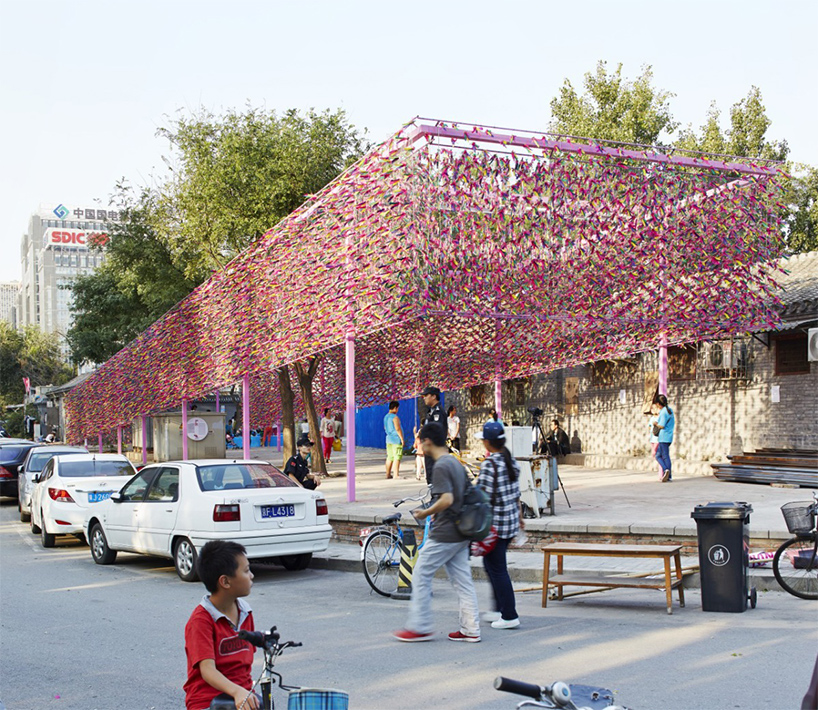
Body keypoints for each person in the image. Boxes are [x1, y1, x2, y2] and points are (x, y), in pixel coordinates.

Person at [393, 423, 481, 643]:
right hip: (462, 531)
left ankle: (420, 627)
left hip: (445, 532)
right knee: (463, 582)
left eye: (419, 441)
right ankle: (471, 628)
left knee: (421, 573)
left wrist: (426, 512)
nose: (418, 446)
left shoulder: (441, 465)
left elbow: (447, 499)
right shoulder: (455, 462)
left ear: (428, 441)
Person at [184, 540, 260, 710]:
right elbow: (207, 670)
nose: (251, 576)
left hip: (242, 696)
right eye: (246, 571)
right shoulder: (201, 620)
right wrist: (237, 692)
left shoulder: (245, 613)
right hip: (208, 701)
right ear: (225, 582)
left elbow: (243, 668)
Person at [476, 420, 523, 629]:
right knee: (492, 566)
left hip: (494, 526)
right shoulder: (510, 461)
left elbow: (481, 496)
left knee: (497, 570)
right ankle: (498, 609)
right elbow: (516, 493)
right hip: (509, 522)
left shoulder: (489, 464)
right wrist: (520, 518)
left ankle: (509, 615)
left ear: (487, 442)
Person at [419, 386, 447, 485]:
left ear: (434, 396)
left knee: (436, 478)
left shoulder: (438, 412)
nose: (424, 398)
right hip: (429, 450)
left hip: (435, 449)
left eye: (426, 395)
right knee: (430, 476)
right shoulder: (431, 411)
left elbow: (436, 431)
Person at [654, 394, 676, 482]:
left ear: (659, 404)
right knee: (658, 455)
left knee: (664, 456)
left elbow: (662, 425)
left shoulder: (663, 412)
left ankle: (666, 470)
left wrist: (655, 424)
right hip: (669, 436)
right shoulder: (670, 410)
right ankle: (667, 474)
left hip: (663, 437)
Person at [383, 401, 405, 480]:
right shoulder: (395, 417)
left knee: (390, 457)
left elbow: (385, 428)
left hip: (388, 439)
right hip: (396, 439)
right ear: (395, 408)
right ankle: (396, 474)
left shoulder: (386, 417)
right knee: (397, 457)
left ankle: (388, 474)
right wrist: (402, 438)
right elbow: (397, 428)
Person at [647, 402, 662, 480]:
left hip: (657, 439)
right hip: (652, 438)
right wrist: (650, 428)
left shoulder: (659, 417)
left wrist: (656, 424)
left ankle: (661, 468)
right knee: (654, 454)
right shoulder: (652, 418)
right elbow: (649, 426)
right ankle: (660, 466)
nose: (653, 410)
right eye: (652, 409)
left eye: (654, 408)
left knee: (656, 454)